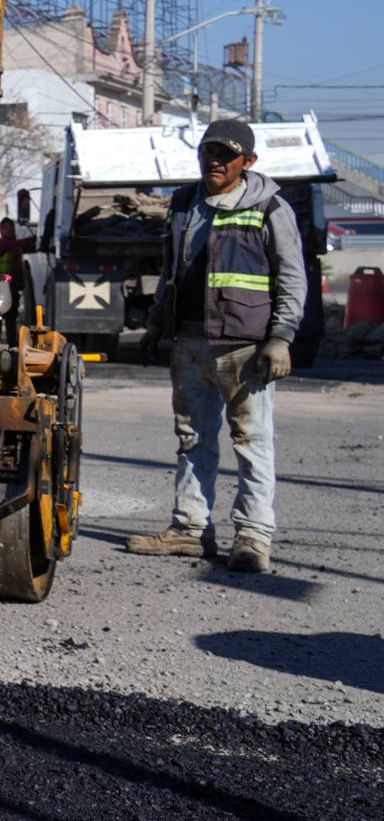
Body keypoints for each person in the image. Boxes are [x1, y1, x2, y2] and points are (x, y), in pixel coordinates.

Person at [127, 119, 304, 574]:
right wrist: (155, 325)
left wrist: (280, 338)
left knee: (252, 442)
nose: (215, 161)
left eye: (227, 154)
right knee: (192, 439)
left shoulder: (269, 206)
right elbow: (172, 272)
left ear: (248, 162)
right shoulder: (184, 203)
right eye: (209, 151)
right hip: (189, 341)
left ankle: (253, 537)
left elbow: (291, 277)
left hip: (244, 346)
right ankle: (190, 530)